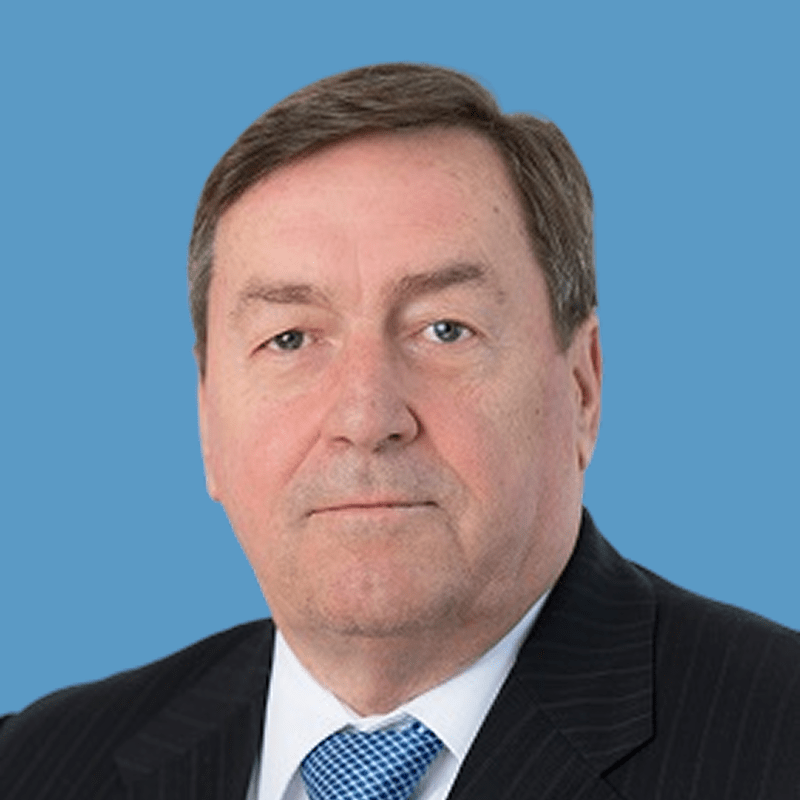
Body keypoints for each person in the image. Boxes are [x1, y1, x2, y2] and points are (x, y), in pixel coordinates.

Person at [0, 63, 797, 800]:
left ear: (582, 386)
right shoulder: (37, 763)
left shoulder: (774, 740)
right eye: (289, 339)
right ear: (207, 416)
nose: (366, 418)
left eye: (445, 330)